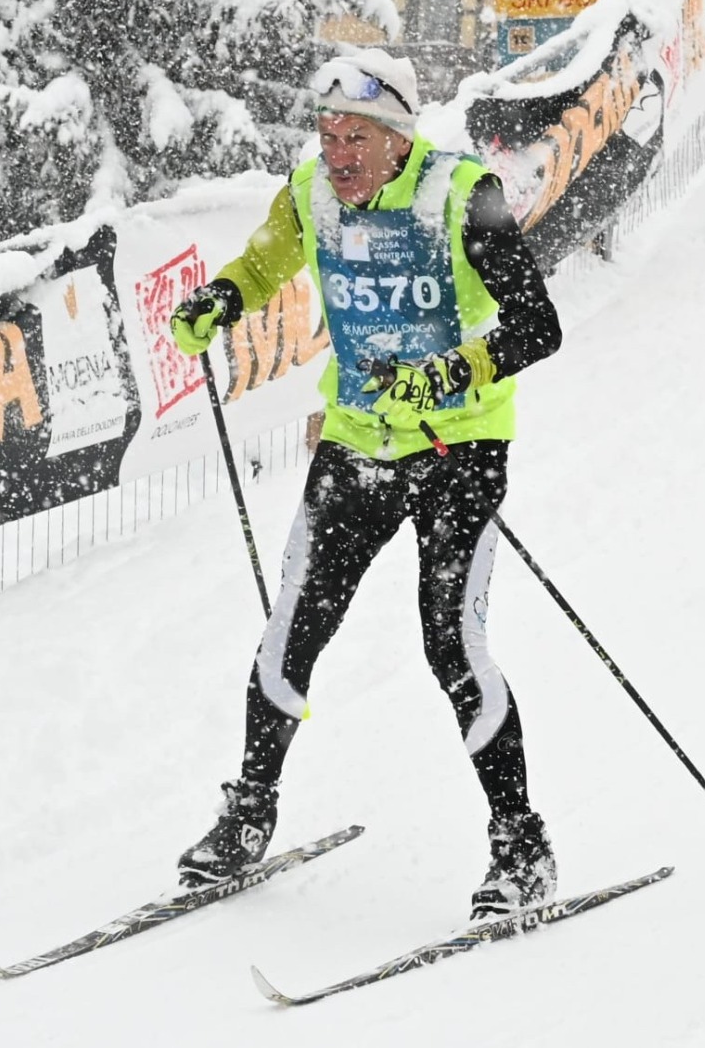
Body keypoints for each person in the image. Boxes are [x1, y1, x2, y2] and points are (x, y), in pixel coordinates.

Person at [168, 48, 563, 918]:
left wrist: (448, 373)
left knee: (450, 643)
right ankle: (248, 812)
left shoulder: (461, 195)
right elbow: (264, 263)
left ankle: (521, 843)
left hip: (459, 447)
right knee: (294, 627)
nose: (338, 154)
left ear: (397, 137)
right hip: (357, 441)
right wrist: (222, 300)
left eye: (356, 138)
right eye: (327, 135)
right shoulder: (311, 194)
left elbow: (539, 326)